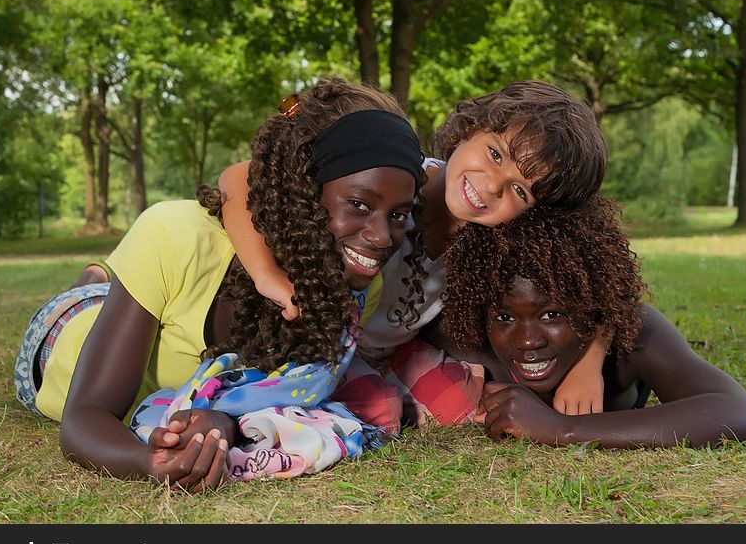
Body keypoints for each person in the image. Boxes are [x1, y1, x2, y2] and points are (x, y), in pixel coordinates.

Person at [13, 78, 425, 490]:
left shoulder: (354, 284)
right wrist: (150, 462)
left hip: (142, 300)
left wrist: (221, 423)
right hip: (58, 343)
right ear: (300, 189)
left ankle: (104, 278)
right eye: (359, 204)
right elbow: (84, 417)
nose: (381, 237)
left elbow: (270, 393)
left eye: (398, 215)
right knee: (83, 301)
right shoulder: (173, 234)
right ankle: (92, 280)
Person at [218, 81, 611, 435]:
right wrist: (266, 275)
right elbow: (237, 177)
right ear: (470, 129)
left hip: (392, 349)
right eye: (494, 154)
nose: (492, 186)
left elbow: (604, 283)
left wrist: (589, 364)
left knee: (464, 404)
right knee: (380, 411)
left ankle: (387, 389)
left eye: (520, 191)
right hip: (323, 340)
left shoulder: (494, 240)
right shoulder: (394, 174)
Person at [440, 196, 746, 448]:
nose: (527, 341)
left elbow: (739, 415)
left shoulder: (631, 336)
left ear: (593, 305)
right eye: (505, 317)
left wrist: (559, 429)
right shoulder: (469, 344)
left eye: (552, 314)